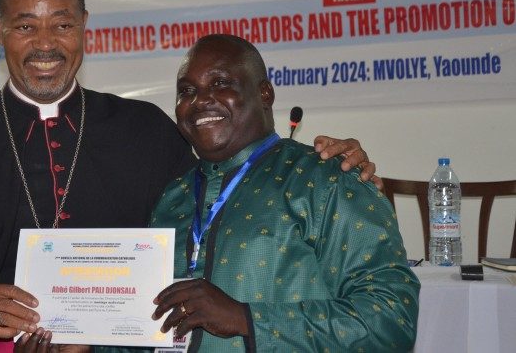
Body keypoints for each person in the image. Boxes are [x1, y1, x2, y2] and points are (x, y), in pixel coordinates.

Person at [0, 0, 380, 353]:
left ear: (85, 27)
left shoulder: (146, 129)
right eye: (25, 26)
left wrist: (333, 160)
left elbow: (235, 188)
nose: (45, 43)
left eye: (62, 24)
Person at [147, 34, 419, 352]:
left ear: (264, 93)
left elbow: (391, 318)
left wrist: (246, 319)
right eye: (187, 91)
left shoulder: (328, 179)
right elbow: (145, 326)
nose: (200, 100)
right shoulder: (172, 198)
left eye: (220, 83)